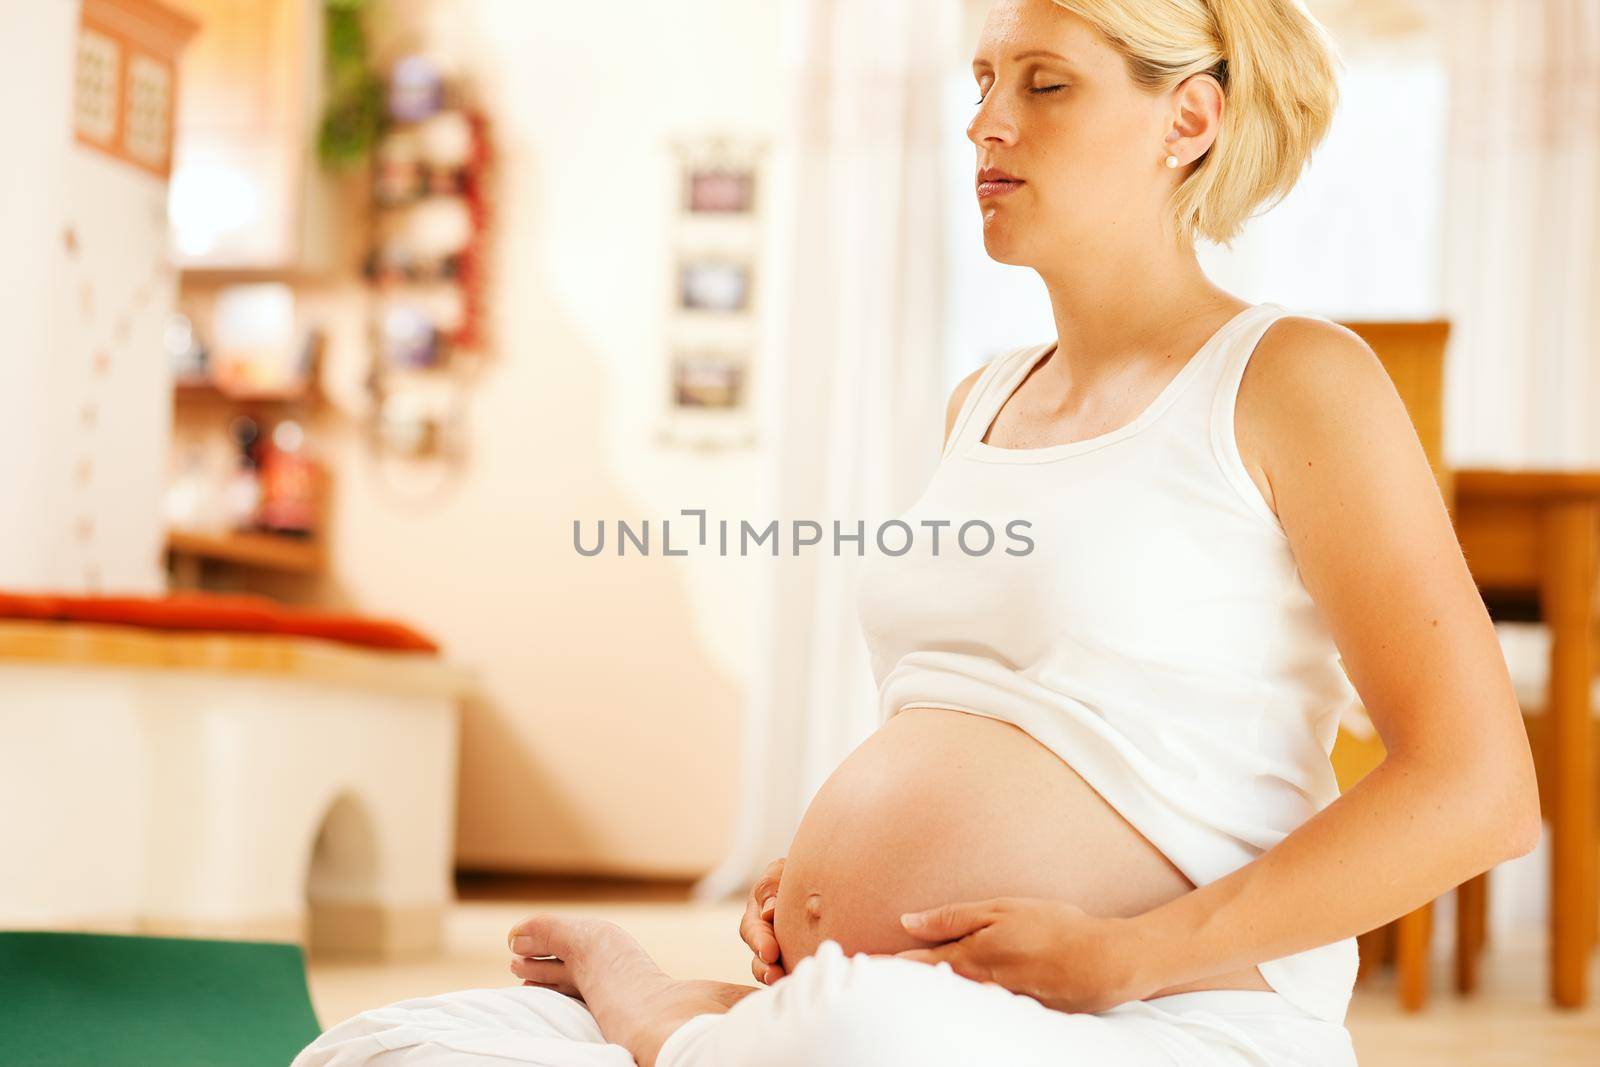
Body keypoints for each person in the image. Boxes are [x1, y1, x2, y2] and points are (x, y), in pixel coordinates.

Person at [292, 1, 1541, 1064]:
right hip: (897, 998)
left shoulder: (1292, 377)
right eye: (984, 80)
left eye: (1044, 84)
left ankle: (671, 1017)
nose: (987, 122)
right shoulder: (983, 396)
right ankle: (725, 1025)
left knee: (859, 1042)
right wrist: (817, 866)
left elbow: (1478, 787)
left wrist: (1131, 953)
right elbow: (970, 714)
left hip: (1164, 1009)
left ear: (1189, 120)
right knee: (392, 1044)